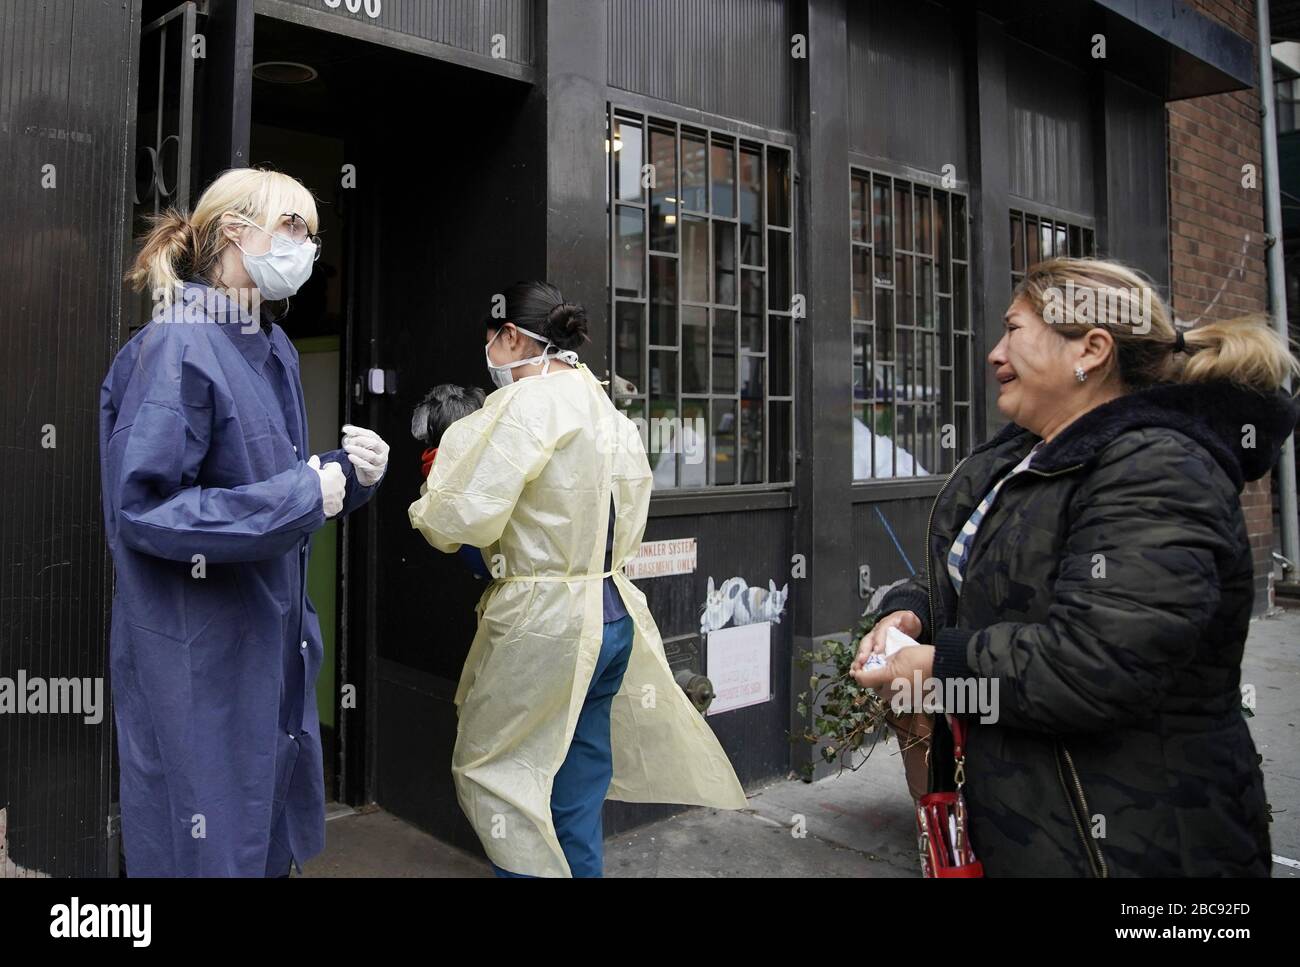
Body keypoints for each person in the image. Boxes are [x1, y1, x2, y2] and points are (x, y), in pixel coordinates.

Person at [852, 256, 1298, 876]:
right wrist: (915, 614)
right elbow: (992, 578)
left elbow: (1098, 663)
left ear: (1091, 349)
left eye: (1014, 329)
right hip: (1035, 826)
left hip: (1132, 846)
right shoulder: (1030, 455)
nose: (994, 353)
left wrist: (937, 666)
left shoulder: (1158, 467)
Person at [100, 167, 391, 877]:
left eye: (311, 234)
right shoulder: (178, 345)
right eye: (292, 225)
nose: (306, 246)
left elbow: (261, 485)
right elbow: (145, 509)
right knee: (205, 843)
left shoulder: (271, 346)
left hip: (268, 641)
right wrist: (305, 494)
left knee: (262, 836)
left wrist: (344, 477)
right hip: (200, 650)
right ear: (234, 229)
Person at [408, 281, 746, 877]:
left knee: (498, 778)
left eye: (491, 339)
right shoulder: (603, 407)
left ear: (511, 337)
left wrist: (432, 491)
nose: (488, 355)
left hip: (546, 626)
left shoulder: (522, 407)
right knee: (576, 784)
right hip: (611, 614)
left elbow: (456, 521)